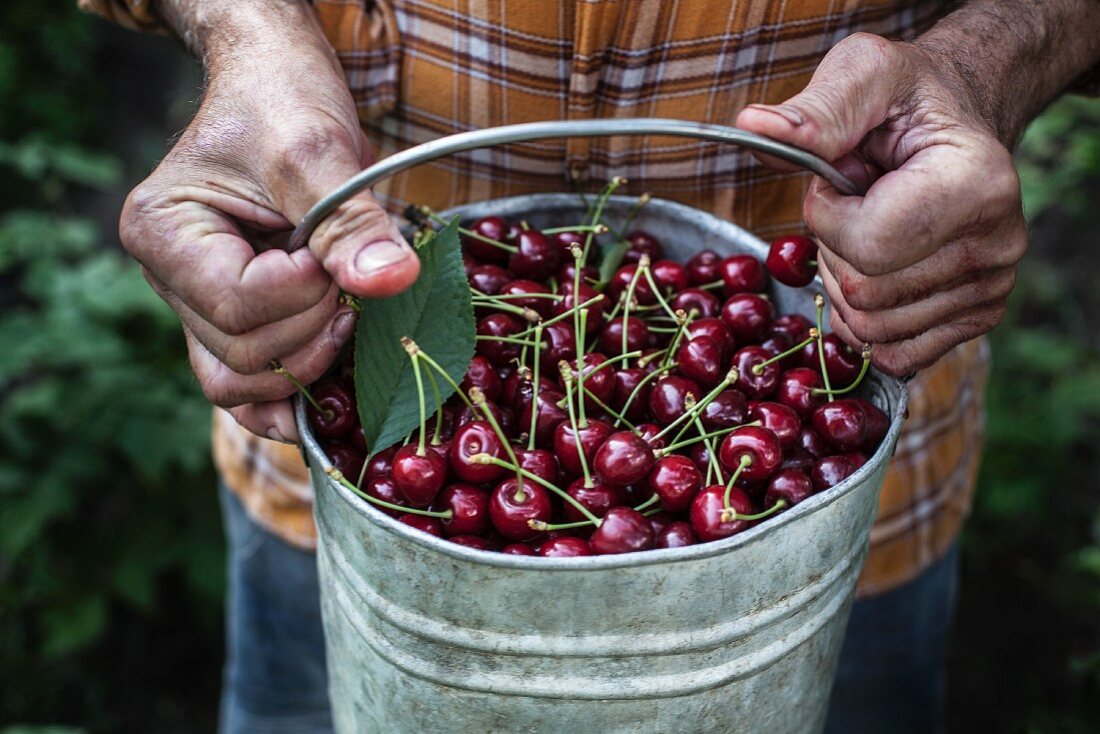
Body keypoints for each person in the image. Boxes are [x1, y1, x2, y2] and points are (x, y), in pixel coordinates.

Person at [80, 1, 1100, 732]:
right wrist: (244, 27)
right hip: (345, 482)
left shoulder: (748, 414)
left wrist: (979, 66)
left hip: (831, 507)